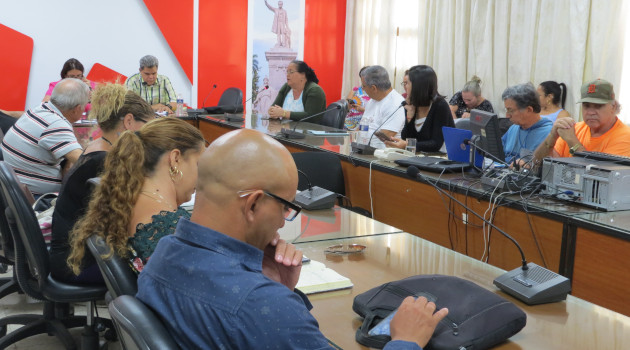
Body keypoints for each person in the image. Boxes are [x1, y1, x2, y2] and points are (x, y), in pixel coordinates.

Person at [136, 128, 449, 349]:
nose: (284, 222)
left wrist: (276, 286)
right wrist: (406, 340)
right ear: (254, 204)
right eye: (286, 207)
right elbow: (257, 314)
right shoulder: (260, 305)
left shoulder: (162, 253)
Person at [66, 117, 205, 278]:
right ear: (175, 159)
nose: (202, 177)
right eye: (198, 165)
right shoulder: (164, 227)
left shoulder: (128, 199)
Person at [50, 84, 155, 284]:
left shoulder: (96, 148)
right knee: (155, 272)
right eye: (148, 127)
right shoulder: (103, 162)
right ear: (129, 121)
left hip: (73, 255)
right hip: (76, 264)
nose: (149, 136)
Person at [2, 78, 88, 196]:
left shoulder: (39, 109)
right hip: (36, 199)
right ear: (77, 109)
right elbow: (84, 163)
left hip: (13, 190)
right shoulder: (56, 124)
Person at [533, 79, 630, 166]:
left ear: (613, 107)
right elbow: (537, 165)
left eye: (598, 106)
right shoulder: (574, 128)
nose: (591, 112)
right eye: (586, 106)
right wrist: (552, 136)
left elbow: (600, 176)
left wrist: (572, 141)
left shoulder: (625, 136)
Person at [385, 65, 454, 152]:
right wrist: (409, 116)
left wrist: (407, 144)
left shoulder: (440, 105)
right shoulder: (412, 104)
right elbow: (406, 137)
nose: (405, 87)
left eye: (408, 83)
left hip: (441, 158)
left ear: (418, 86)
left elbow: (435, 143)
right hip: (419, 156)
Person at [500, 83, 553, 164]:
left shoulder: (549, 133)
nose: (507, 116)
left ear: (529, 109)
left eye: (511, 110)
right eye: (506, 110)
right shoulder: (513, 128)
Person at [357, 65, 405, 149]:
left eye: (363, 86)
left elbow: (383, 138)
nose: (363, 89)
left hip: (381, 155)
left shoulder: (396, 103)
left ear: (373, 88)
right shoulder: (371, 101)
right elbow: (360, 129)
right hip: (363, 149)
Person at [345, 66, 371, 130]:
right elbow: (346, 105)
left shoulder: (374, 92)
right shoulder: (355, 90)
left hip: (365, 123)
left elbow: (375, 113)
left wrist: (363, 110)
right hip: (350, 121)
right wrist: (349, 105)